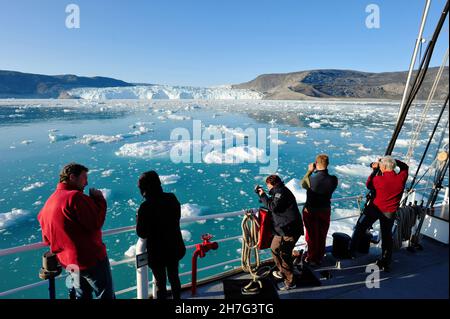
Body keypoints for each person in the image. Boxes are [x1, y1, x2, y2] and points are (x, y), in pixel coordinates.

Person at [37, 163, 115, 299]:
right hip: (90, 260)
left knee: (81, 295)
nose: (87, 182)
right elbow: (95, 223)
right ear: (72, 177)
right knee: (105, 294)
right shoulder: (75, 197)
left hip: (69, 263)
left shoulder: (48, 204)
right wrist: (99, 199)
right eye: (84, 178)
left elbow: (47, 239)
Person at [350, 156, 409, 272]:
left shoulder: (378, 180)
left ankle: (351, 251)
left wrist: (374, 170)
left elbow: (369, 184)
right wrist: (394, 161)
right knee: (387, 236)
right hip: (389, 212)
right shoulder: (401, 177)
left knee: (360, 226)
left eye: (381, 164)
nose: (380, 165)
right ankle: (385, 261)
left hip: (374, 208)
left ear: (385, 167)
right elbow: (405, 167)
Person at [136, 171, 186, 299]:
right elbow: (177, 217)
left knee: (160, 283)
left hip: (157, 252)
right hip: (174, 247)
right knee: (174, 277)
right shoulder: (171, 198)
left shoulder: (145, 207)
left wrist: (138, 218)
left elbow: (142, 233)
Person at [257, 174, 303, 290]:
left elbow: (273, 207)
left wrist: (262, 195)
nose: (267, 188)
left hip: (290, 230)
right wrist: (262, 196)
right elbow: (274, 204)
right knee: (274, 248)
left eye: (268, 186)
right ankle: (283, 271)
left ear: (272, 184)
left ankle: (290, 282)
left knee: (284, 254)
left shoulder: (281, 192)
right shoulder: (278, 192)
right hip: (282, 229)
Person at [300, 154, 338, 266]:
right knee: (322, 234)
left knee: (311, 235)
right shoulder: (333, 179)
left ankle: (311, 258)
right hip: (325, 210)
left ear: (316, 164)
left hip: (311, 211)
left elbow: (303, 184)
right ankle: (319, 256)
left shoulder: (311, 179)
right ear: (328, 164)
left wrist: (309, 171)